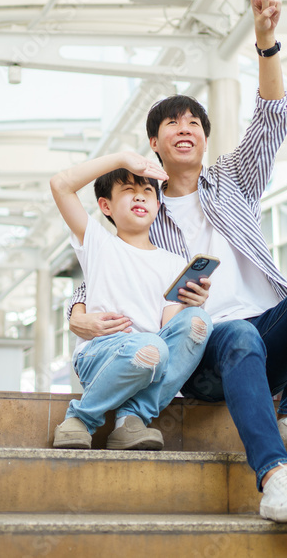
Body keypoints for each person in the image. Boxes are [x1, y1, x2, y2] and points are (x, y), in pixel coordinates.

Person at [67, 0, 287, 523]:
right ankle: (275, 477)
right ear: (152, 144)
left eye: (195, 122)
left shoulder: (235, 180)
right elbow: (105, 268)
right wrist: (76, 311)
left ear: (205, 138)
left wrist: (265, 41)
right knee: (236, 331)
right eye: (172, 123)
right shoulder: (141, 213)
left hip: (266, 331)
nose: (186, 128)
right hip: (201, 353)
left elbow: (273, 119)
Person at [50, 155, 214, 451]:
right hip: (100, 353)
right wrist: (122, 159)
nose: (139, 195)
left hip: (153, 357)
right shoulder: (98, 243)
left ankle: (131, 420)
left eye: (147, 191)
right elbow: (60, 185)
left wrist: (192, 305)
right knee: (151, 347)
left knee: (198, 323)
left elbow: (170, 331)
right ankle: (81, 419)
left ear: (158, 204)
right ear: (105, 206)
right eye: (127, 189)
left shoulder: (174, 263)